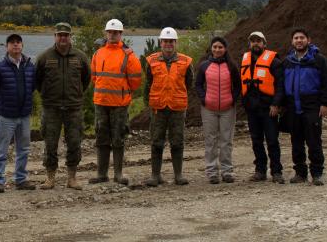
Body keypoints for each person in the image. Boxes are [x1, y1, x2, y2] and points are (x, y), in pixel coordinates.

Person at [34, 22, 90, 190]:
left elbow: (86, 79)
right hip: (51, 108)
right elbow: (37, 81)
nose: (63, 38)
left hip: (74, 108)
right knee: (50, 144)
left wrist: (76, 94)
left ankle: (71, 178)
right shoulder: (44, 57)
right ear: (55, 36)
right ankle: (50, 178)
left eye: (66, 35)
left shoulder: (80, 57)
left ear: (70, 36)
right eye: (60, 35)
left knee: (74, 143)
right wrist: (47, 95)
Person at [89, 18, 142, 185]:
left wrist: (122, 93)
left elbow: (135, 81)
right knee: (101, 137)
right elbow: (94, 77)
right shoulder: (98, 53)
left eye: (116, 32)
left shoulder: (129, 55)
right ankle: (102, 174)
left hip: (119, 104)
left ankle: (118, 174)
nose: (112, 35)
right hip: (101, 102)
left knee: (118, 138)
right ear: (106, 33)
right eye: (110, 32)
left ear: (121, 34)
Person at [283, 28, 327, 185]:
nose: (299, 40)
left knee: (313, 141)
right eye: (296, 38)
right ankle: (300, 173)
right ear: (292, 42)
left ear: (308, 40)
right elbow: (281, 84)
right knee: (296, 141)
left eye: (302, 38)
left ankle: (317, 173)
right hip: (293, 107)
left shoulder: (318, 60)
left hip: (312, 105)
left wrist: (325, 104)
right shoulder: (288, 62)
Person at [143, 27, 193, 186]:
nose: (168, 44)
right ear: (160, 42)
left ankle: (178, 175)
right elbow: (148, 83)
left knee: (177, 141)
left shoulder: (186, 62)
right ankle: (155, 175)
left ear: (176, 43)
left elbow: (189, 84)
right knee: (156, 141)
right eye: (165, 41)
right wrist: (150, 103)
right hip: (158, 108)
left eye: (171, 41)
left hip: (177, 107)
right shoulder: (151, 61)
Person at [0, 33, 36, 192]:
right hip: (6, 116)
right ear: (7, 47)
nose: (16, 45)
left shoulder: (30, 66)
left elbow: (32, 87)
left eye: (18, 42)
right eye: (12, 43)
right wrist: (2, 106)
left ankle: (20, 179)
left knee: (23, 149)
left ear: (22, 46)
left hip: (24, 115)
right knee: (1, 149)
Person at [240, 31, 286, 184]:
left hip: (268, 108)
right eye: (253, 41)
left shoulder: (274, 61)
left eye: (258, 41)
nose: (255, 43)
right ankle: (260, 170)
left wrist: (276, 104)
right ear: (249, 44)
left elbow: (280, 85)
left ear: (264, 44)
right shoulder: (245, 59)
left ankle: (277, 171)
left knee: (272, 140)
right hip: (252, 108)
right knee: (256, 141)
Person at [195, 36, 241, 184]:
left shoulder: (232, 66)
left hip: (228, 108)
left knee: (226, 141)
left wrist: (233, 99)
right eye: (215, 47)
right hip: (209, 108)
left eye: (220, 47)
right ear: (211, 48)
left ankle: (227, 171)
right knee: (211, 140)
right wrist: (204, 99)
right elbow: (198, 84)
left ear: (225, 49)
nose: (217, 49)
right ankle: (212, 172)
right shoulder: (204, 66)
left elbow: (238, 86)